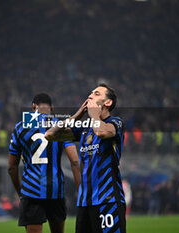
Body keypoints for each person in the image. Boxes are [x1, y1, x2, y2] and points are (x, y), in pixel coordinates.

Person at [45, 84, 126, 233]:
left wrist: (94, 114)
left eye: (96, 94)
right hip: (84, 203)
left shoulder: (116, 123)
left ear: (107, 102)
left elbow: (101, 132)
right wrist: (77, 116)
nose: (90, 96)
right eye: (90, 93)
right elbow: (49, 135)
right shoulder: (84, 128)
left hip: (108, 200)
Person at [8, 93, 80, 233]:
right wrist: (81, 190)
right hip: (56, 190)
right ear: (51, 108)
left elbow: (11, 167)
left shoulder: (20, 127)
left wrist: (20, 191)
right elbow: (75, 162)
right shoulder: (60, 126)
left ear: (33, 106)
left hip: (31, 190)